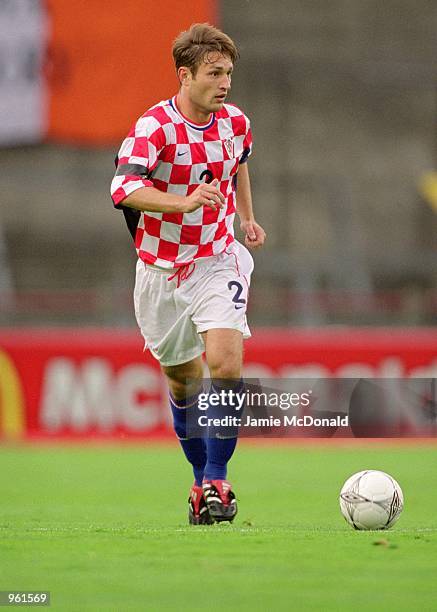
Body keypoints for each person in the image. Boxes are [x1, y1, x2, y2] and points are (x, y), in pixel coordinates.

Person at [110, 23, 266, 524]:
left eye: (229, 73)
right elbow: (123, 190)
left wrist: (246, 216)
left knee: (225, 359)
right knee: (183, 382)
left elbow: (238, 162)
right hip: (159, 271)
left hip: (217, 258)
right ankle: (201, 485)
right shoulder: (155, 127)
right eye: (214, 73)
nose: (224, 83)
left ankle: (219, 478)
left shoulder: (235, 122)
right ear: (185, 75)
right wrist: (184, 202)